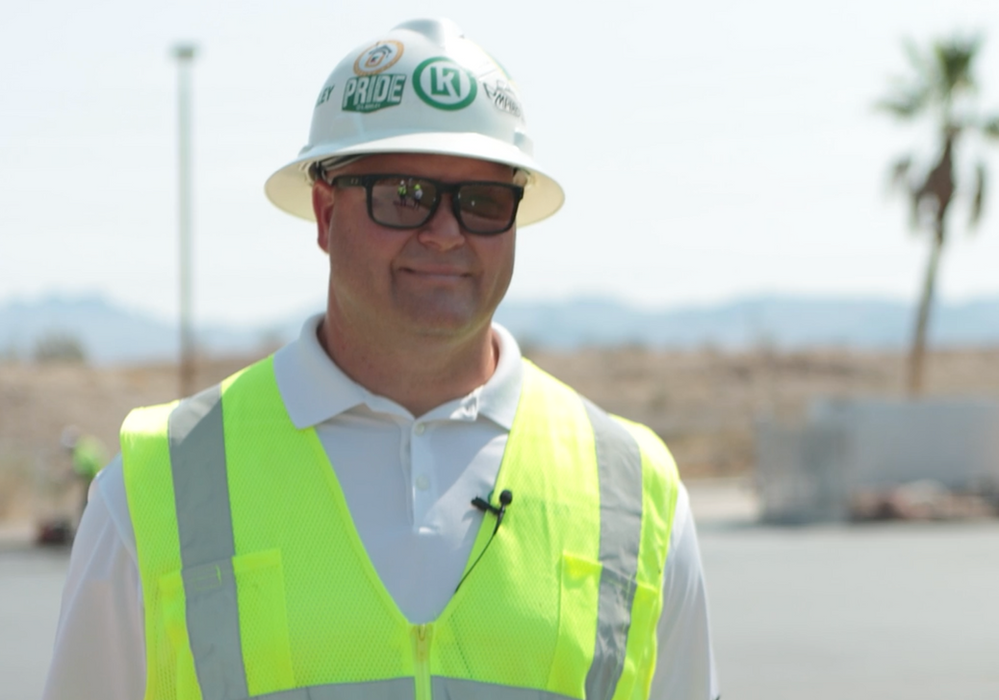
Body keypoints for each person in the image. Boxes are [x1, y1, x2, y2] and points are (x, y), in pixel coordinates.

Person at [44, 18, 719, 700]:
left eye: (483, 201)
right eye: (406, 196)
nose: (447, 233)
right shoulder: (156, 484)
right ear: (325, 214)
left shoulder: (636, 492)